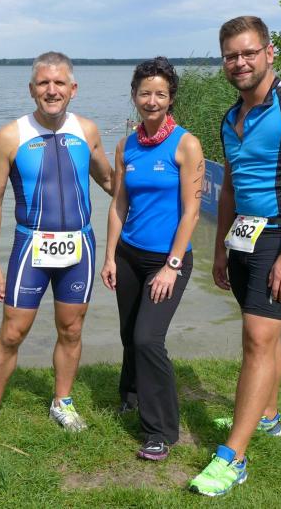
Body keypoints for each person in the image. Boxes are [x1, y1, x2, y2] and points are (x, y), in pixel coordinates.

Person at [189, 16, 281, 496]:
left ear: (269, 52)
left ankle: (233, 457)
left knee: (256, 337)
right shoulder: (230, 116)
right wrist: (219, 248)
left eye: (249, 52)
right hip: (243, 237)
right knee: (265, 336)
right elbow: (230, 186)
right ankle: (267, 414)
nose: (240, 62)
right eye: (231, 55)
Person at [0, 51, 113, 444]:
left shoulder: (88, 130)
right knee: (13, 332)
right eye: (44, 83)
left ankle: (62, 402)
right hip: (31, 246)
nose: (51, 90)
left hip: (79, 246)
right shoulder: (10, 136)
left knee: (72, 329)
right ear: (31, 89)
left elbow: (110, 183)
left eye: (59, 83)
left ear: (73, 88)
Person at [100, 57, 204, 461]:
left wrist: (171, 266)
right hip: (128, 255)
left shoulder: (185, 144)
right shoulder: (125, 145)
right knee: (130, 333)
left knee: (148, 338)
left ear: (171, 97)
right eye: (145, 93)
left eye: (160, 93)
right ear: (134, 96)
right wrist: (110, 256)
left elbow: (192, 212)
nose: (152, 100)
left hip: (168, 260)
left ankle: (160, 430)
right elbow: (119, 204)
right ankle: (130, 396)